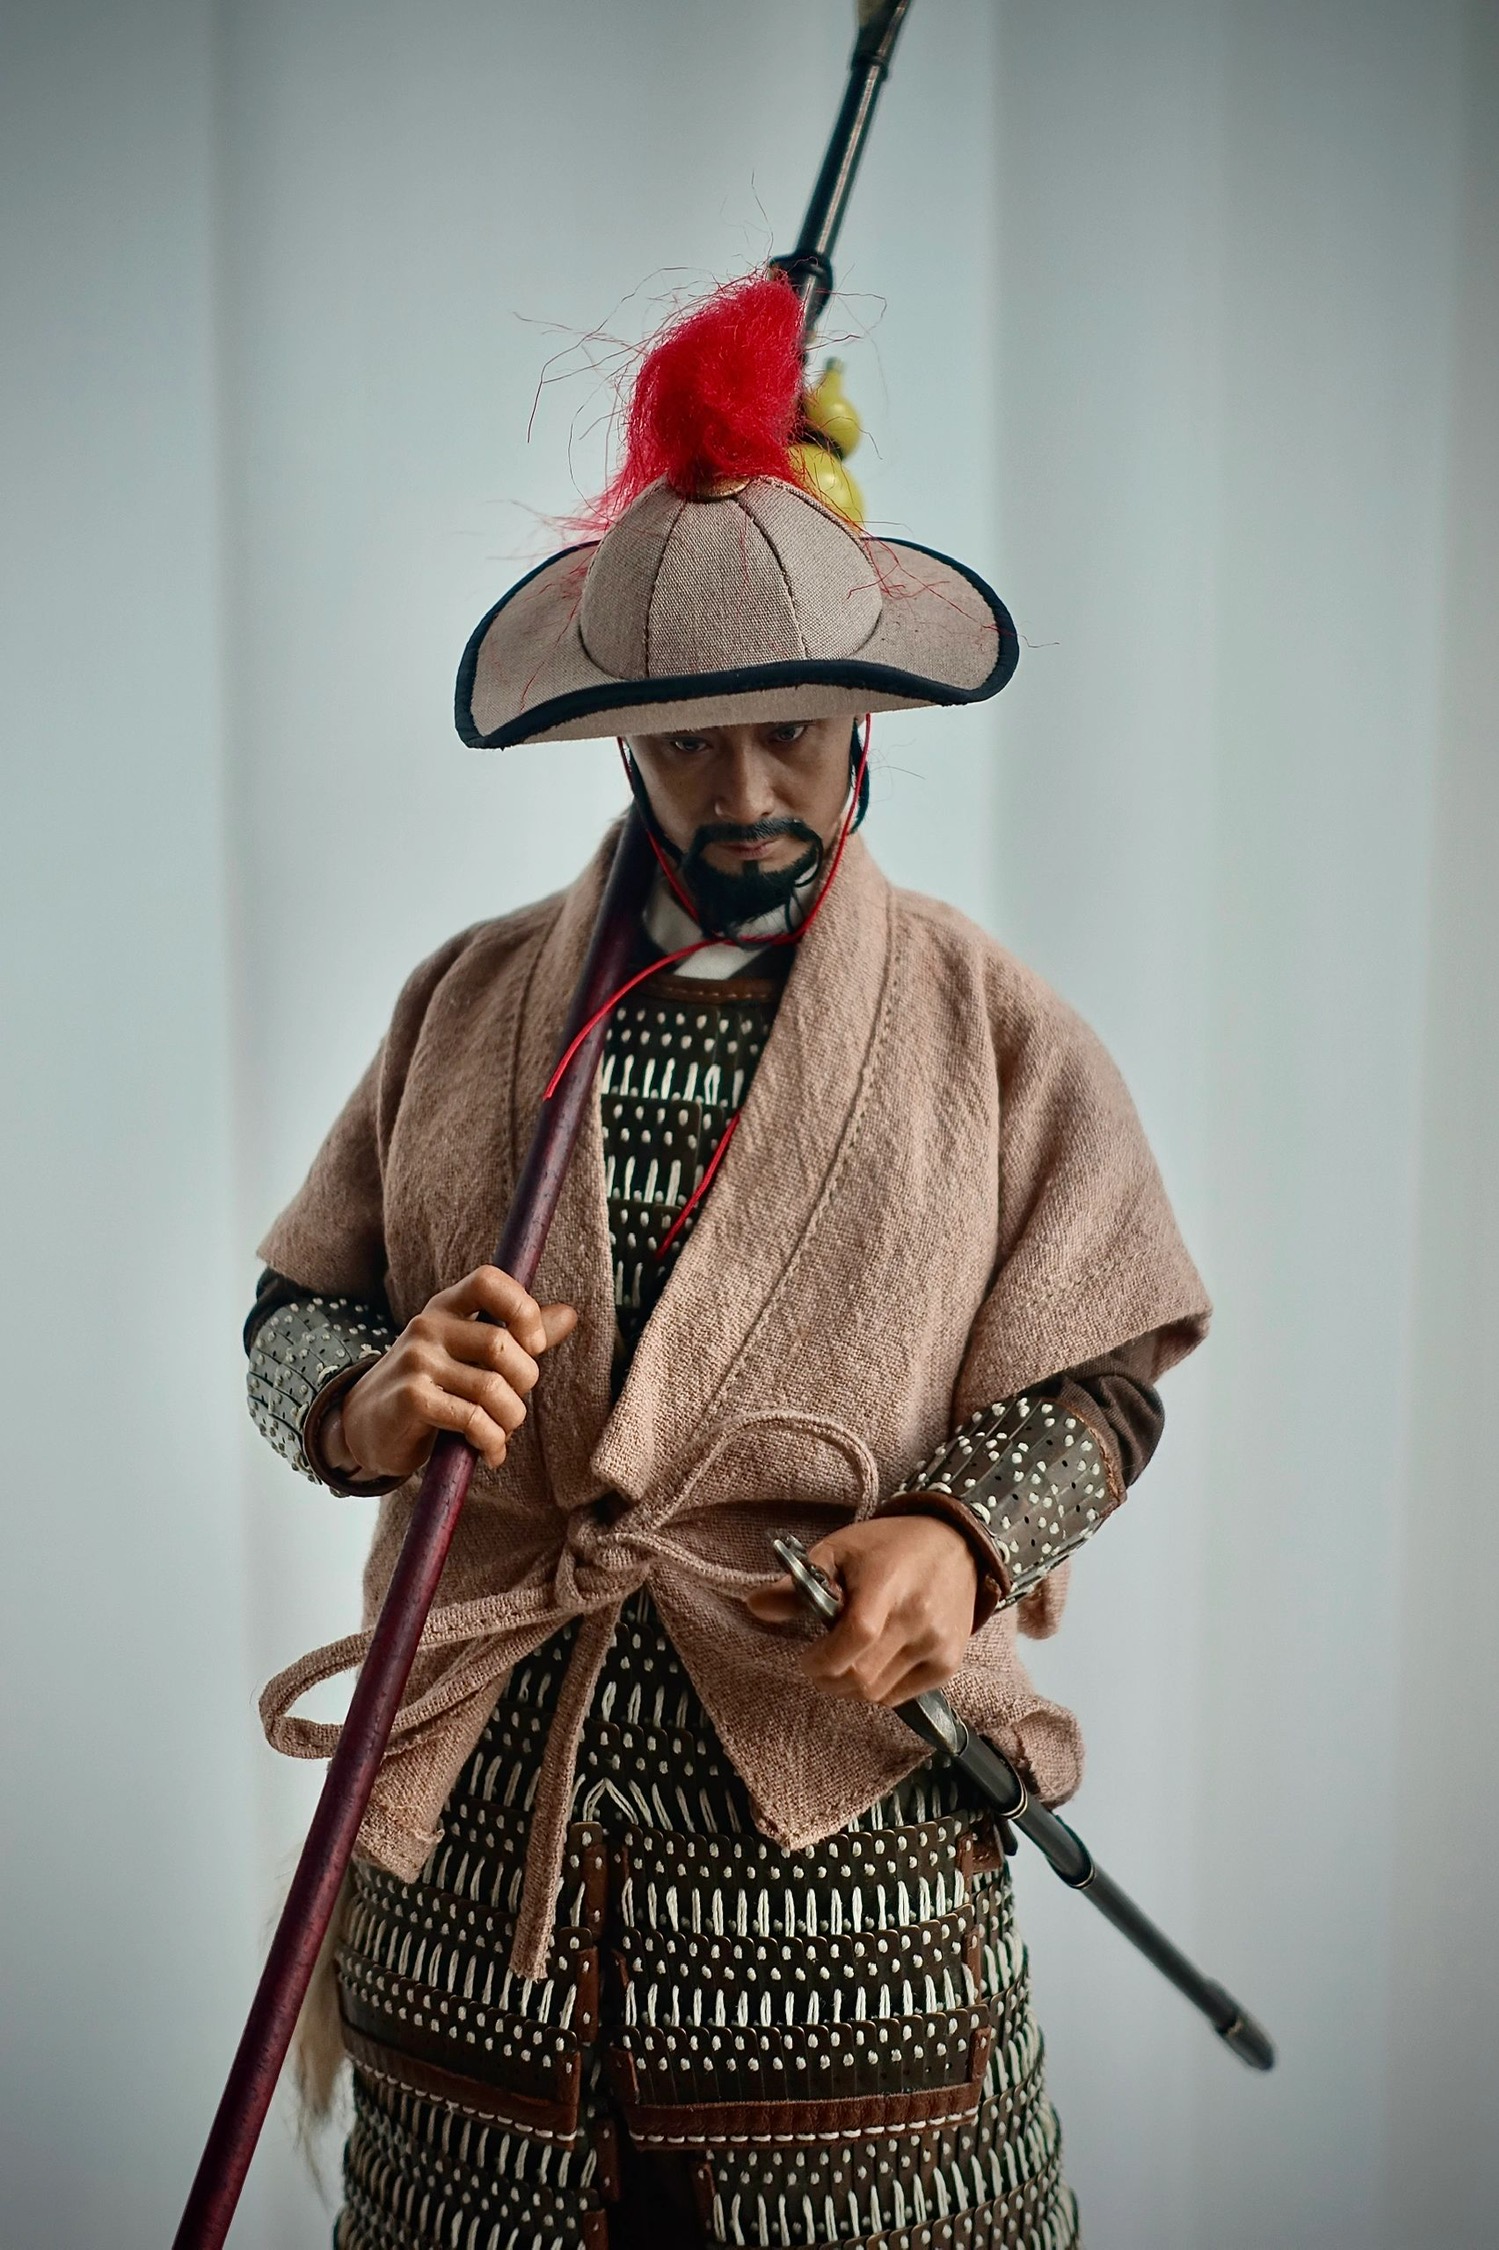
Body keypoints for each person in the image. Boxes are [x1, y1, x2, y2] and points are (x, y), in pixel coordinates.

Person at [247, 275, 1208, 2250]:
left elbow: (1103, 1374)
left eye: (791, 730)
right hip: (481, 1889)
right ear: (620, 741)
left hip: (842, 1862)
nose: (748, 791)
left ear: (864, 714)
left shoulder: (990, 1031)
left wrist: (958, 1536)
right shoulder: (464, 1008)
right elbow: (290, 1312)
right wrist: (364, 1393)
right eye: (691, 743)